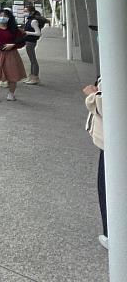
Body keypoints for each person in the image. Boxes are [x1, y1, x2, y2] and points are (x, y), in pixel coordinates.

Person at [83, 77, 107, 250]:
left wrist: (93, 95)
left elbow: (111, 105)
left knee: (107, 187)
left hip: (113, 143)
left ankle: (111, 235)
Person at [0, 9, 26, 102]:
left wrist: (13, 45)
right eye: (0, 15)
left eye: (5, 16)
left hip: (11, 54)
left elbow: (22, 41)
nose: (2, 17)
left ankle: (11, 94)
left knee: (12, 73)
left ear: (9, 18)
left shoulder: (14, 29)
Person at [22, 3, 46, 84]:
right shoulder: (29, 20)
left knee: (33, 60)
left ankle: (35, 78)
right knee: (32, 60)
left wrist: (27, 32)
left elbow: (38, 33)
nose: (24, 12)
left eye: (26, 11)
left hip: (31, 42)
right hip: (29, 41)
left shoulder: (33, 21)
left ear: (31, 12)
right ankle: (31, 77)